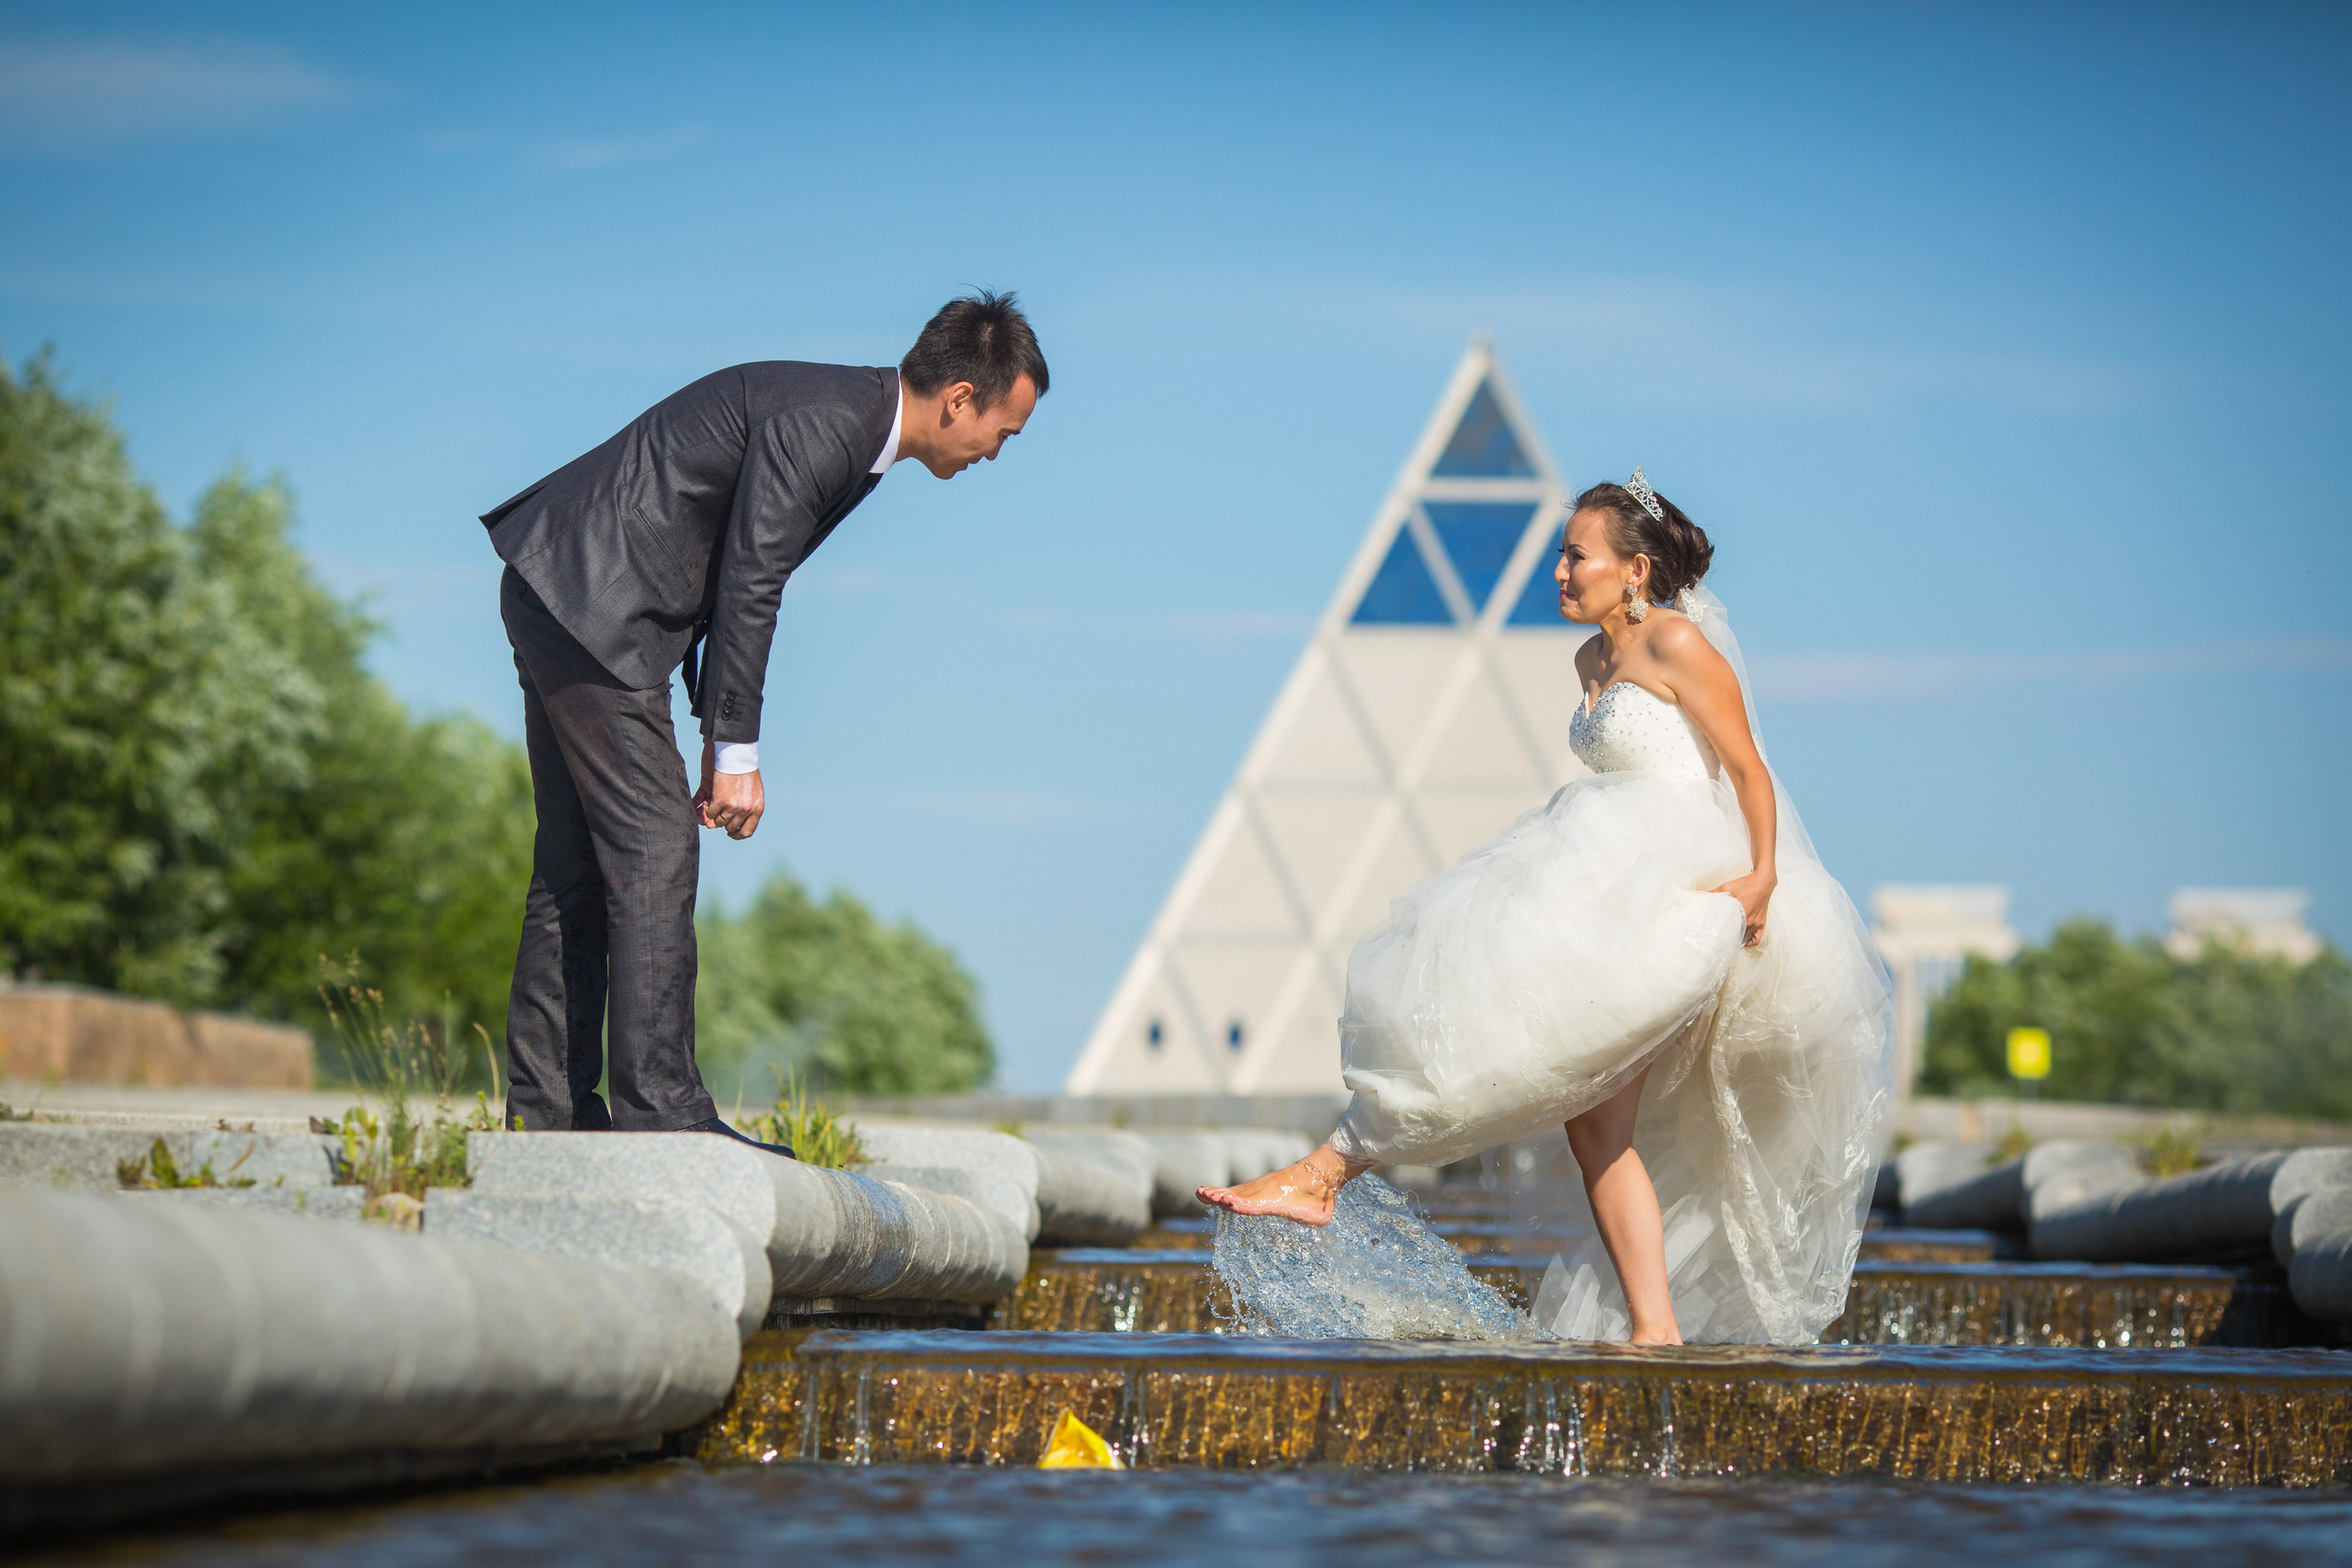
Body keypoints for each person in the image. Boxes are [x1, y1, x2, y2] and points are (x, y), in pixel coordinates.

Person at [1201, 470, 1892, 1346]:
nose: (1559, 573)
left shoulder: (1678, 644)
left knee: (1564, 1074)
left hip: (1680, 889)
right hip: (1605, 868)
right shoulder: (1589, 659)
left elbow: (1748, 769)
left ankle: (1331, 1168)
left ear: (1635, 570)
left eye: (1576, 556)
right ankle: (1653, 1325)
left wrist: (1761, 879)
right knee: (1592, 1120)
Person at [481, 291, 1048, 1149]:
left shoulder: (848, 423)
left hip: (563, 585)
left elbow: (727, 566)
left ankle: (550, 1114)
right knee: (653, 848)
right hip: (594, 600)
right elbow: (751, 578)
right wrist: (734, 751)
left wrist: (712, 724)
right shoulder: (829, 424)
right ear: (960, 398)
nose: (994, 454)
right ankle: (661, 1109)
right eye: (1003, 433)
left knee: (579, 864)